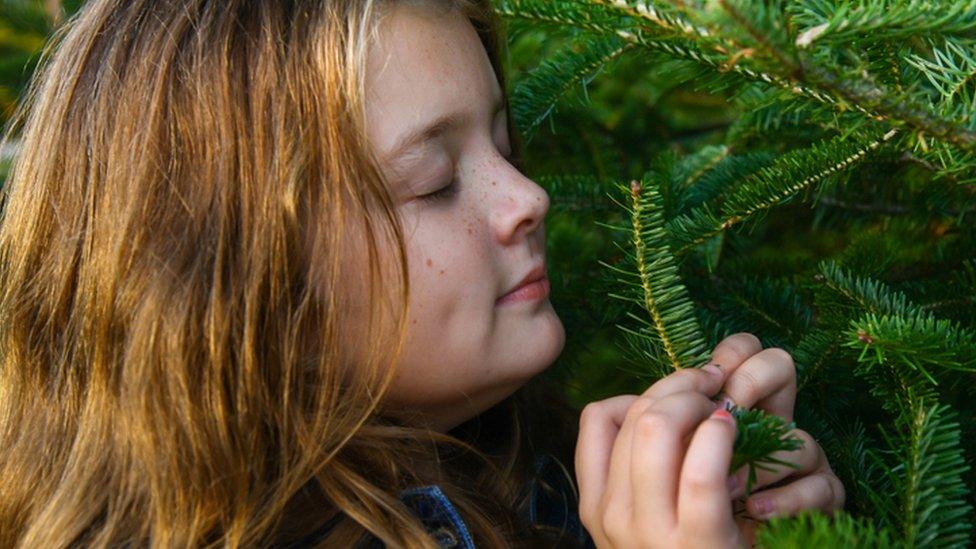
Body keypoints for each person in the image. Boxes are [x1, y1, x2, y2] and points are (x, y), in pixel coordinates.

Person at [0, 0, 844, 547]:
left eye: (505, 143)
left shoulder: (517, 481)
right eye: (433, 183)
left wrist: (720, 513)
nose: (528, 196)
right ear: (237, 294)